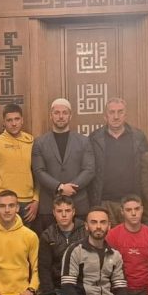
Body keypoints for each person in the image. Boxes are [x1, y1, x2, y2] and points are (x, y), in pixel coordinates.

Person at [32, 98, 96, 230]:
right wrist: (60, 187)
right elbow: (39, 171)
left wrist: (71, 188)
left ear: (70, 116)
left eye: (64, 113)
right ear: (51, 116)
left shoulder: (84, 141)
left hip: (78, 203)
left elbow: (89, 170)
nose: (61, 116)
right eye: (56, 113)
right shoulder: (39, 142)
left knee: (80, 241)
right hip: (49, 205)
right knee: (50, 241)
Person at [90, 98, 148, 224]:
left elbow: (147, 168)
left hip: (132, 202)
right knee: (106, 236)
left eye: (120, 112)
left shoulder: (138, 137)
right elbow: (89, 169)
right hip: (104, 201)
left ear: (125, 115)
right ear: (105, 116)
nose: (116, 116)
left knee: (131, 235)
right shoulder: (95, 138)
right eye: (112, 112)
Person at [37, 196, 87, 295]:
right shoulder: (47, 235)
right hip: (59, 288)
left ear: (74, 212)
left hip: (83, 288)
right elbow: (44, 269)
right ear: (54, 213)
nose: (64, 215)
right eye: (60, 211)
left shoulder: (85, 230)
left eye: (68, 210)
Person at [0, 104, 38, 227]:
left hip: (28, 203)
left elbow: (37, 173)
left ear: (22, 120)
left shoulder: (31, 141)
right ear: (4, 122)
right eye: (9, 120)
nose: (14, 123)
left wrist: (36, 199)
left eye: (17, 119)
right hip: (4, 203)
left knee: (26, 238)